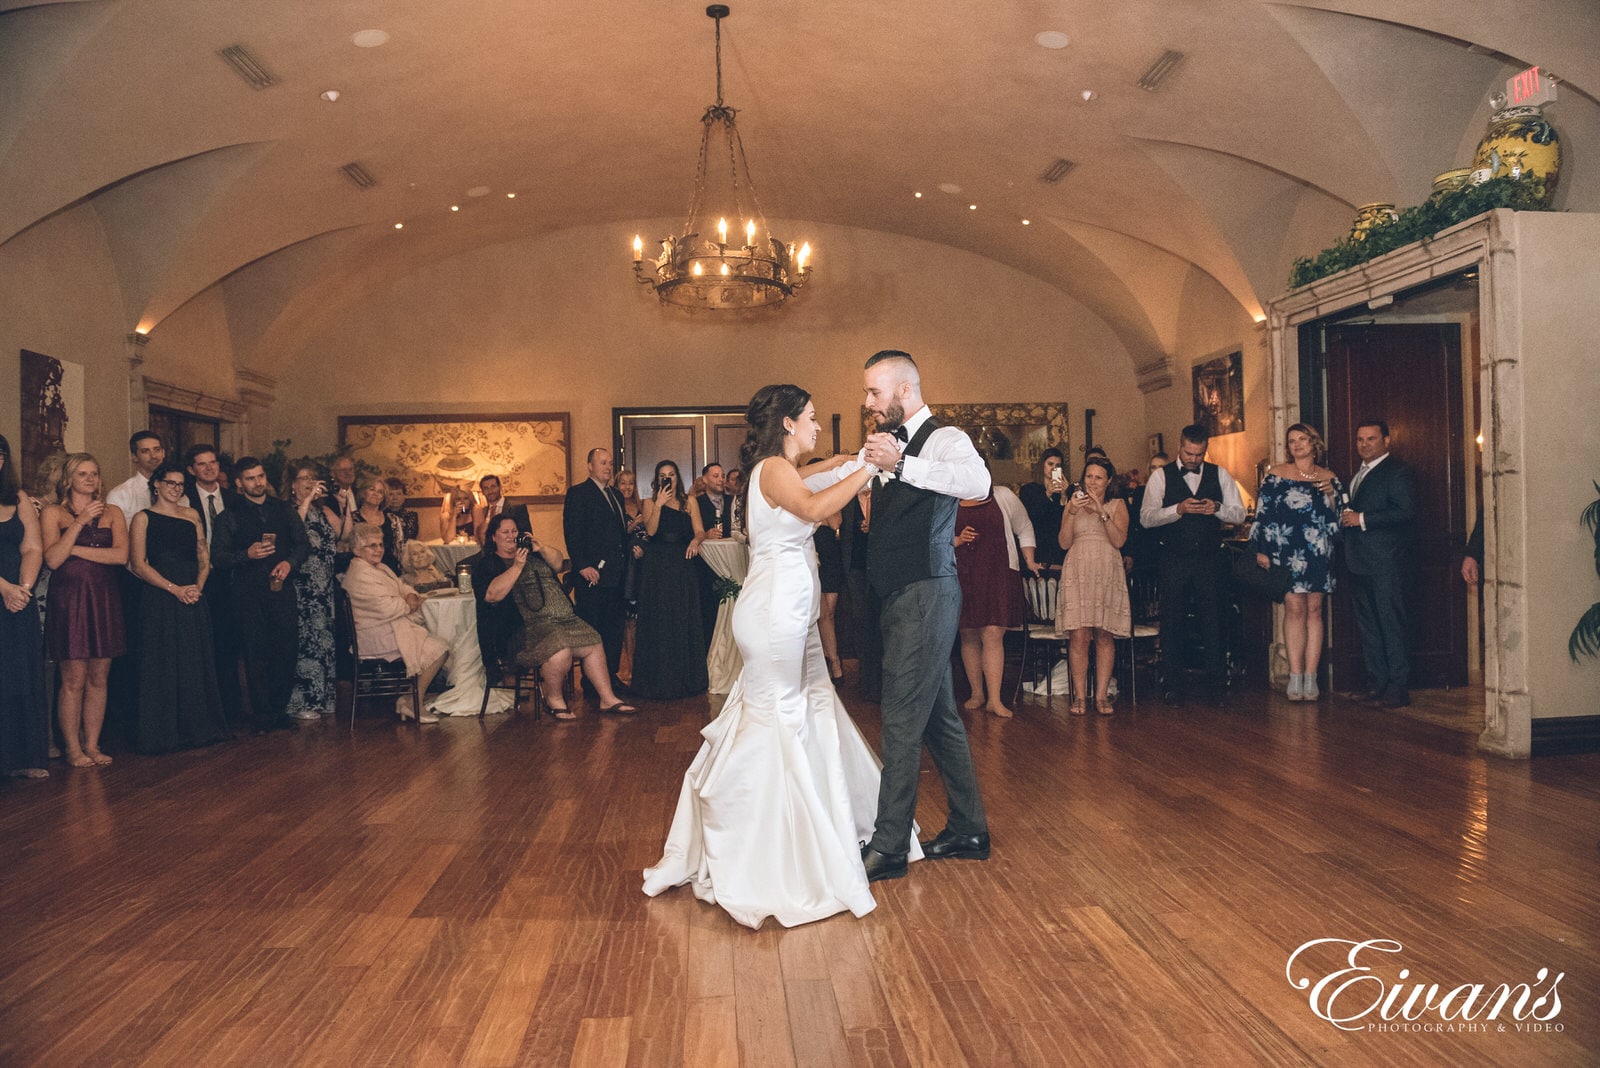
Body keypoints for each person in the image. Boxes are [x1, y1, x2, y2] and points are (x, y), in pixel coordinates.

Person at [645, 384, 914, 927]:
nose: (817, 426)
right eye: (811, 418)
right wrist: (870, 471)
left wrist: (861, 457)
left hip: (791, 610)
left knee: (813, 709)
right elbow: (815, 505)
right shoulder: (772, 471)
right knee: (779, 718)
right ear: (788, 423)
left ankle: (840, 826)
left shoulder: (784, 467)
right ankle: (766, 851)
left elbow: (827, 467)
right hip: (773, 615)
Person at [806, 351, 992, 882]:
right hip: (896, 595)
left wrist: (901, 464)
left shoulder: (944, 438)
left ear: (904, 391)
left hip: (928, 591)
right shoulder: (880, 445)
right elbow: (840, 481)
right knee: (937, 717)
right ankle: (969, 828)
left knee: (901, 718)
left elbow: (977, 484)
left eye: (874, 393)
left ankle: (888, 846)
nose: (867, 403)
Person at [473, 514, 635, 719]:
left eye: (514, 531)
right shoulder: (488, 565)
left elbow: (558, 564)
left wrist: (541, 548)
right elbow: (491, 595)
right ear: (493, 537)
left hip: (560, 623)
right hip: (521, 632)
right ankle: (554, 699)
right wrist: (516, 566)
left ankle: (607, 698)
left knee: (593, 640)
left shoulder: (532, 554)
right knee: (561, 650)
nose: (511, 536)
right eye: (505, 532)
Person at [127, 460, 230, 752]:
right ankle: (163, 733)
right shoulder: (142, 518)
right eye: (169, 482)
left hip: (193, 593)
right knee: (162, 660)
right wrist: (174, 589)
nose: (175, 488)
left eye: (180, 484)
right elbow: (138, 563)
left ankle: (197, 727)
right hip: (160, 595)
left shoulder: (192, 515)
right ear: (156, 485)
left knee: (193, 658)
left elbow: (203, 557)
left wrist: (198, 586)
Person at [1140, 425, 1247, 705]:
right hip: (1173, 557)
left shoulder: (1220, 474)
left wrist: (1218, 509)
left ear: (1205, 450)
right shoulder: (1160, 477)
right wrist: (1178, 510)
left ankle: (1216, 686)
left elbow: (1239, 514)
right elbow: (1146, 518)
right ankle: (1172, 685)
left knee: (1213, 619)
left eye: (1199, 455)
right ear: (1180, 445)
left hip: (1210, 558)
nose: (1193, 459)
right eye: (1189, 453)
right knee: (1172, 620)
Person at [41, 453, 128, 766]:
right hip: (70, 600)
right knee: (73, 678)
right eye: (82, 474)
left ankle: (92, 744)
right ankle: (72, 748)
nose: (90, 479)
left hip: (104, 597)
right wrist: (78, 523)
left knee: (99, 677)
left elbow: (120, 556)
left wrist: (74, 550)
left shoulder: (114, 512)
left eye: (94, 473)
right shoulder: (53, 513)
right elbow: (52, 560)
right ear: (69, 479)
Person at [211, 456, 309, 733]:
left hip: (281, 589)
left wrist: (289, 563)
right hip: (246, 593)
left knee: (286, 648)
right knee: (255, 651)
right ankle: (262, 714)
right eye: (251, 478)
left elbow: (302, 544)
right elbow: (218, 557)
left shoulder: (283, 509)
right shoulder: (228, 516)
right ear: (239, 483)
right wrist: (247, 554)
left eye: (261, 476)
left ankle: (280, 710)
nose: (258, 482)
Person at [1249, 424, 1343, 702]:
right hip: (1286, 550)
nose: (1297, 445)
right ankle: (1295, 675)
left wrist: (1331, 495)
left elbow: (1338, 521)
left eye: (1302, 439)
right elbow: (1263, 515)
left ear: (1314, 443)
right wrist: (1261, 549)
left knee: (1315, 610)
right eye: (1292, 441)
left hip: (1318, 550)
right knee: (1293, 609)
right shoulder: (1276, 475)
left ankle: (1311, 678)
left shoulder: (1329, 477)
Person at [1340, 420, 1417, 708]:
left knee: (1390, 623)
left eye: (1371, 439)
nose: (1364, 444)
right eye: (1360, 439)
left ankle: (1398, 688)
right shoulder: (1356, 475)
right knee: (1369, 626)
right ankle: (1377, 684)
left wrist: (1361, 519)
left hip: (1386, 563)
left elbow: (1405, 511)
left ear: (1386, 440)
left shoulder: (1397, 472)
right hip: (1358, 561)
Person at [340, 523, 448, 723]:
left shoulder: (378, 567)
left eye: (380, 545)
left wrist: (410, 595)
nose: (378, 549)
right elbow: (387, 607)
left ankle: (411, 697)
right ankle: (413, 701)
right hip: (373, 636)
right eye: (371, 546)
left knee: (439, 643)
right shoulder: (360, 574)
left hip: (387, 627)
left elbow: (403, 585)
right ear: (356, 549)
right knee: (439, 649)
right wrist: (410, 603)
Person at [955, 477, 1038, 718]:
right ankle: (976, 693)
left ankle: (994, 699)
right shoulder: (948, 498)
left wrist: (1029, 560)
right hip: (963, 573)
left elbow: (1024, 527)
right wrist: (958, 539)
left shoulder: (1003, 496)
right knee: (968, 632)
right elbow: (934, 537)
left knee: (992, 633)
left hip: (998, 573)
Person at [1056, 457, 1132, 715]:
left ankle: (1101, 697)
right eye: (1089, 476)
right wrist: (1072, 512)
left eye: (1098, 477)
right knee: (1078, 634)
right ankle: (1079, 696)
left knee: (1103, 633)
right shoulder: (1071, 504)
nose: (1092, 481)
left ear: (1108, 481)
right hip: (1077, 568)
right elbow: (1064, 543)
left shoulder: (1118, 504)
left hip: (1106, 570)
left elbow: (1119, 540)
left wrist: (1101, 512)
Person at [631, 460, 708, 699]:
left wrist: (696, 541)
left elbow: (700, 530)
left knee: (682, 616)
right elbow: (651, 531)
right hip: (657, 565)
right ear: (657, 479)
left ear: (677, 478)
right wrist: (659, 505)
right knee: (660, 618)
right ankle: (658, 681)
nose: (668, 479)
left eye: (672, 475)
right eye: (663, 475)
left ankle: (686, 679)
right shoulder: (648, 502)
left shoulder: (690, 501)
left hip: (682, 562)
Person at [184, 443, 245, 724]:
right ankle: (201, 711)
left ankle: (231, 710)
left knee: (228, 645)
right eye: (202, 464)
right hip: (194, 578)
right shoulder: (183, 499)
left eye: (213, 463)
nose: (209, 468)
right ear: (191, 470)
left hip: (229, 579)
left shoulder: (235, 499)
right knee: (197, 646)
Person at [0, 434, 50, 778]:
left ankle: (21, 757)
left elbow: (33, 548)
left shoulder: (17, 497)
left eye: (0, 454)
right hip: (5, 589)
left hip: (19, 596)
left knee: (20, 675)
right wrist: (4, 588)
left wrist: (24, 589)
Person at [562, 448, 629, 687]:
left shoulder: (616, 495)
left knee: (613, 629)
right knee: (594, 629)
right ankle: (592, 683)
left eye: (610, 463)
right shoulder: (579, 494)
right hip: (592, 575)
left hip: (616, 575)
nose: (608, 467)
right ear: (590, 465)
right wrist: (582, 566)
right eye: (602, 463)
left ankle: (610, 677)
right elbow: (573, 532)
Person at [283, 461, 340, 719]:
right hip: (302, 586)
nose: (309, 482)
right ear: (292, 484)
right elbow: (294, 533)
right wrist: (305, 502)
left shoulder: (320, 510)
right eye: (303, 478)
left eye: (312, 478)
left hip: (323, 586)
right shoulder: (289, 509)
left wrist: (342, 501)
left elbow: (341, 534)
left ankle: (321, 699)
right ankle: (302, 702)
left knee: (323, 641)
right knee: (306, 642)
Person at [689, 462, 732, 652]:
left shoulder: (733, 502)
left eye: (722, 476)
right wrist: (704, 535)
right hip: (705, 570)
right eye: (715, 476)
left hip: (730, 566)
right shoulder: (696, 504)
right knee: (708, 614)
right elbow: (688, 535)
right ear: (704, 479)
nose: (720, 480)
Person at [1018, 447, 1068, 572]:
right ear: (1042, 465)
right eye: (1050, 464)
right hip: (1037, 546)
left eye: (1057, 465)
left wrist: (1064, 496)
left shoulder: (1065, 491)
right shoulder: (1029, 490)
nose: (1053, 468)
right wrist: (1047, 494)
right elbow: (1031, 518)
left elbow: (1064, 522)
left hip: (1058, 549)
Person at [812, 511, 846, 681]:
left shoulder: (832, 500)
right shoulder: (804, 498)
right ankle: (833, 661)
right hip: (812, 558)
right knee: (822, 614)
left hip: (832, 559)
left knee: (829, 614)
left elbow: (836, 524)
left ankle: (829, 658)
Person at [105, 430, 165, 520]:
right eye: (145, 451)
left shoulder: (176, 491)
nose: (153, 456)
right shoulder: (120, 495)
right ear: (134, 457)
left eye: (157, 450)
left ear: (163, 453)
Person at [347, 480, 402, 573]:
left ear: (383, 497)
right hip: (362, 570)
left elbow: (399, 548)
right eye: (372, 489)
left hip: (390, 569)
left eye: (380, 492)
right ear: (363, 493)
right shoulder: (351, 519)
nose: (376, 494)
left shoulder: (393, 519)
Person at [472, 474, 528, 544]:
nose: (490, 491)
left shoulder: (516, 507)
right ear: (482, 492)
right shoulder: (482, 511)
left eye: (493, 486)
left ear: (500, 487)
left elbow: (526, 534)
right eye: (486, 488)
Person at [383, 477, 420, 542]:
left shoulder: (411, 516)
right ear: (384, 497)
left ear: (404, 496)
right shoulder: (380, 516)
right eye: (391, 494)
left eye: (399, 494)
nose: (395, 498)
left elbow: (410, 539)